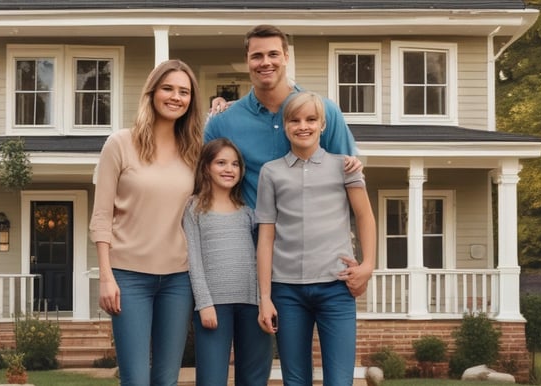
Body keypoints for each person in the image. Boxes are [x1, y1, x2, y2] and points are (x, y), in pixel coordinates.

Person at [89, 59, 204, 386]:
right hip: (128, 278)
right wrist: (106, 277)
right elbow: (101, 216)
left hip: (179, 280)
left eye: (184, 92)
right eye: (168, 88)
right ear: (152, 93)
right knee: (136, 379)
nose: (176, 97)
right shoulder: (119, 144)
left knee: (166, 379)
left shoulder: (194, 151)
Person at [255, 91, 377, 385]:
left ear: (323, 124)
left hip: (336, 287)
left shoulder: (344, 166)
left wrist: (368, 265)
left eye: (311, 119)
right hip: (287, 291)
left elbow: (365, 217)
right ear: (285, 126)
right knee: (295, 380)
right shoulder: (271, 173)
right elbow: (266, 236)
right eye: (294, 120)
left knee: (339, 380)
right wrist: (265, 298)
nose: (303, 126)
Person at [204, 24, 361, 210]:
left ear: (286, 57)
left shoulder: (325, 112)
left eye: (273, 54)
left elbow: (350, 178)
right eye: (257, 56)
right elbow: (204, 186)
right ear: (247, 60)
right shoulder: (222, 122)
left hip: (313, 235)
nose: (265, 62)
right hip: (249, 236)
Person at [183, 138, 273, 386]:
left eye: (235, 164)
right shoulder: (193, 209)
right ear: (206, 168)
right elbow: (194, 260)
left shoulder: (249, 212)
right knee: (211, 379)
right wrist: (204, 304)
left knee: (254, 378)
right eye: (221, 162)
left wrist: (262, 301)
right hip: (214, 306)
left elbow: (260, 258)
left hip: (252, 305)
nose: (228, 169)